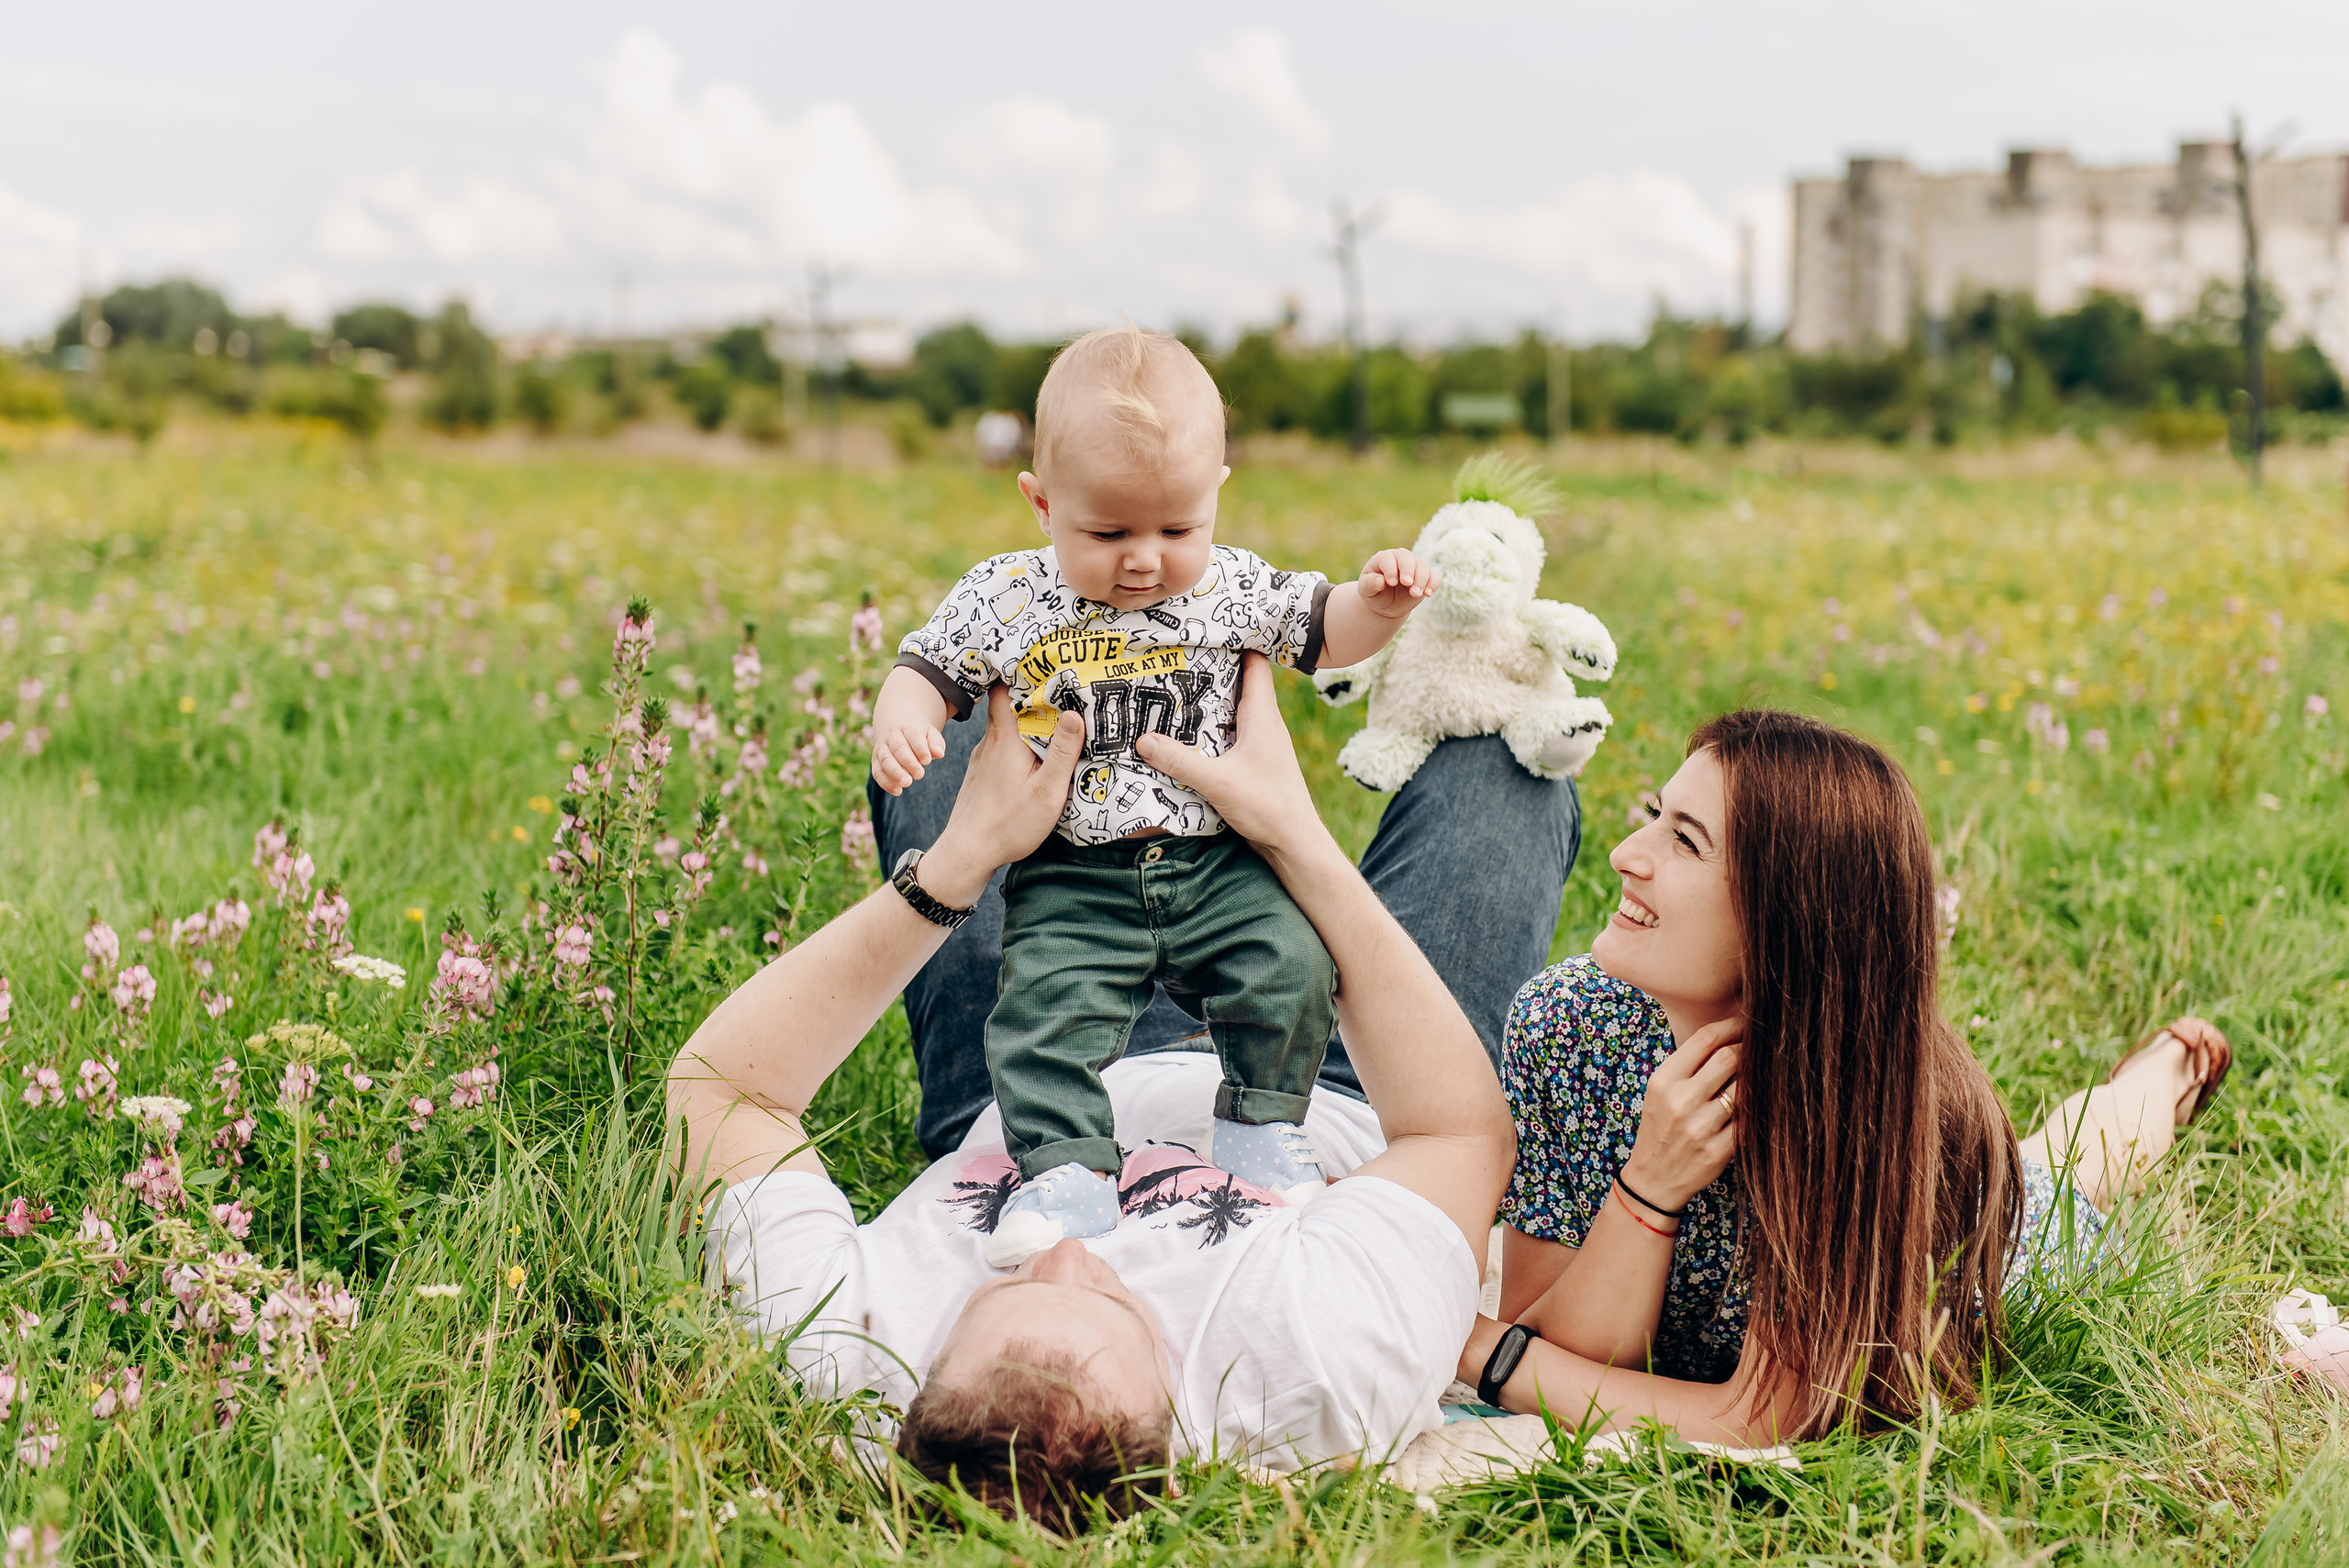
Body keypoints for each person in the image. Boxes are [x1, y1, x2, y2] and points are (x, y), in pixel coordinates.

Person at [671, 656, 1580, 1530]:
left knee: (964, 721)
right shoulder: (1318, 1370)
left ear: (921, 1377)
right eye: (1111, 1297)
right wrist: (1288, 837)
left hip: (1037, 1063)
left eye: (1009, 1282)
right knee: (1507, 756)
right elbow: (1455, 1133)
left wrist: (960, 866)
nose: (1071, 1248)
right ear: (1181, 1443)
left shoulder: (844, 1352)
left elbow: (723, 1093)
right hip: (1336, 1083)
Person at [1476, 709, 2232, 1439]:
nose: (1627, 854)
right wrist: (1651, 1182)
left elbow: (1762, 1417)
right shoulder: (1569, 1023)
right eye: (1654, 814)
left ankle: (2168, 1071)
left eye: (1685, 841)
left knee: (2069, 1170)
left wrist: (1471, 1345)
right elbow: (1553, 1342)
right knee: (2050, 1153)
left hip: (2005, 1246)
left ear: (1785, 914)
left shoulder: (1854, 1100)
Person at [869, 324, 1442, 1263]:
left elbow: (1323, 632)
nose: (1143, 558)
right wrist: (905, 715)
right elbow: (928, 664)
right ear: (1040, 501)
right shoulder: (1007, 595)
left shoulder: (1232, 586)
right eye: (1106, 532)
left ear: (1217, 491)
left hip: (1218, 858)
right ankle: (1067, 1172)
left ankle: (1259, 1119)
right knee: (1036, 1015)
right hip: (1072, 871)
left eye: (1177, 529)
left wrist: (1377, 602)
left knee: (1292, 966)